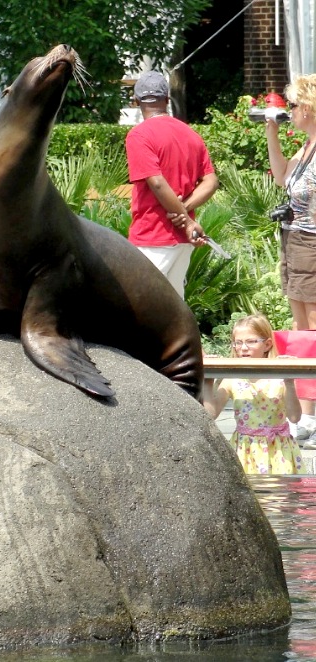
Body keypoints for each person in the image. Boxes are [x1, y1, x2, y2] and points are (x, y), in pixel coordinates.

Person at [125, 70, 219, 299]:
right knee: (174, 307)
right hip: (183, 240)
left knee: (140, 305)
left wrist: (184, 219)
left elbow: (156, 183)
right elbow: (211, 181)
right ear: (167, 100)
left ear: (136, 102)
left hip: (152, 235)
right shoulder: (190, 134)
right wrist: (185, 212)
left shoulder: (139, 135)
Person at [265, 74, 316, 440]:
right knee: (301, 328)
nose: (290, 112)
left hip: (312, 245)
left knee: (312, 328)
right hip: (295, 241)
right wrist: (271, 131)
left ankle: (310, 414)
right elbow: (282, 177)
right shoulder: (308, 146)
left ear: (310, 107)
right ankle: (307, 413)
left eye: (294, 106)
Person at [202, 313, 305, 475]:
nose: (243, 348)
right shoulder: (232, 379)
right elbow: (210, 414)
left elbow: (294, 417)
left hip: (278, 449)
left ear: (267, 344)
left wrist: (289, 381)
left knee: (278, 495)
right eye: (238, 343)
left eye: (251, 342)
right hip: (245, 450)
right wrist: (207, 381)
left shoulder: (279, 379)